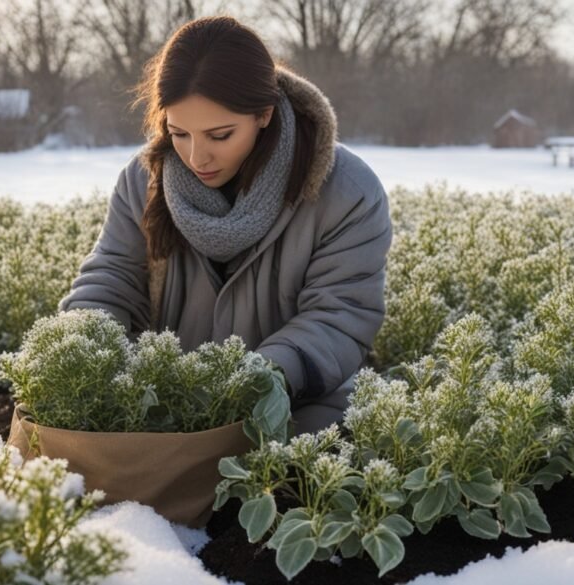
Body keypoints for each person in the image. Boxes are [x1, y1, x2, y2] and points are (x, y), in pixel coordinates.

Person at [58, 15, 392, 435]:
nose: (197, 157)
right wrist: (80, 350)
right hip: (164, 415)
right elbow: (111, 278)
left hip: (292, 409)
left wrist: (256, 382)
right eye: (179, 133)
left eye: (220, 135)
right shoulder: (144, 180)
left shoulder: (346, 192)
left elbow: (339, 317)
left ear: (263, 115)